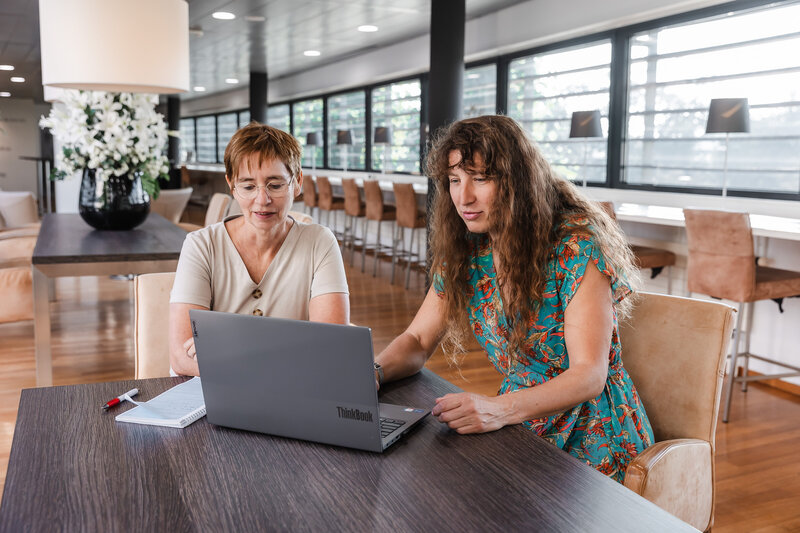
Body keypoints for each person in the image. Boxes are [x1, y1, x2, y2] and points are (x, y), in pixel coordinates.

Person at [374, 115, 653, 482]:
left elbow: (589, 375)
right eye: (455, 180)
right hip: (518, 418)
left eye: (481, 178)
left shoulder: (575, 247)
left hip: (595, 432)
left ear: (518, 182)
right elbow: (418, 339)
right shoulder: (466, 249)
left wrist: (496, 410)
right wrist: (373, 372)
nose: (463, 197)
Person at [169, 123, 350, 376]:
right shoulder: (201, 246)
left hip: (289, 394)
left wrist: (222, 350)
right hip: (211, 395)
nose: (262, 199)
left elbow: (331, 346)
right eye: (248, 186)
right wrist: (293, 349)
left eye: (275, 185)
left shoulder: (320, 242)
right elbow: (181, 357)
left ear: (297, 182)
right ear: (232, 185)